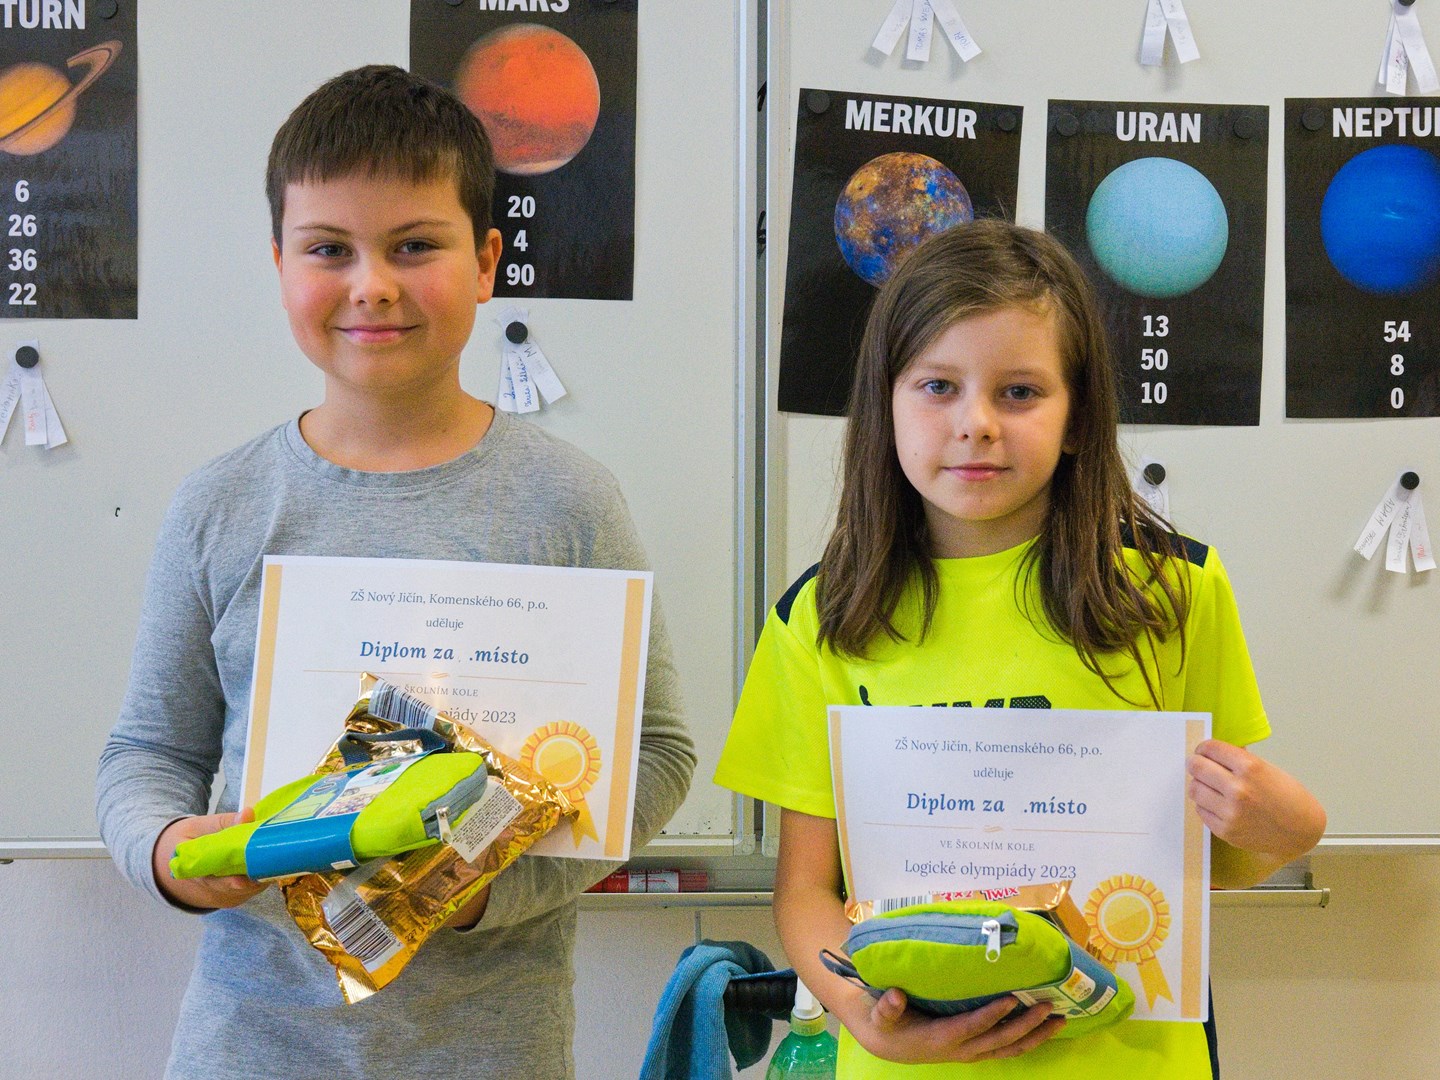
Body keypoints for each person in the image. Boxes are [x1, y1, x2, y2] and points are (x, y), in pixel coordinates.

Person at [95, 65, 695, 1079]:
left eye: (415, 245)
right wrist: (165, 853)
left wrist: (487, 889)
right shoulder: (220, 506)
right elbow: (148, 750)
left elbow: (659, 754)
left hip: (491, 1052)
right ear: (279, 262)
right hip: (251, 1047)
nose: (372, 284)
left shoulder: (569, 503)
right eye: (329, 248)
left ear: (487, 261)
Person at [714, 219, 1325, 1079]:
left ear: (1078, 417)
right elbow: (807, 889)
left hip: (1127, 1061)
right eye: (937, 386)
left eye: (1020, 392)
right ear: (885, 405)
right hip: (907, 1065)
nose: (976, 425)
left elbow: (1206, 860)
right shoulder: (821, 616)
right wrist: (862, 1016)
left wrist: (1291, 830)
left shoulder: (1172, 589)